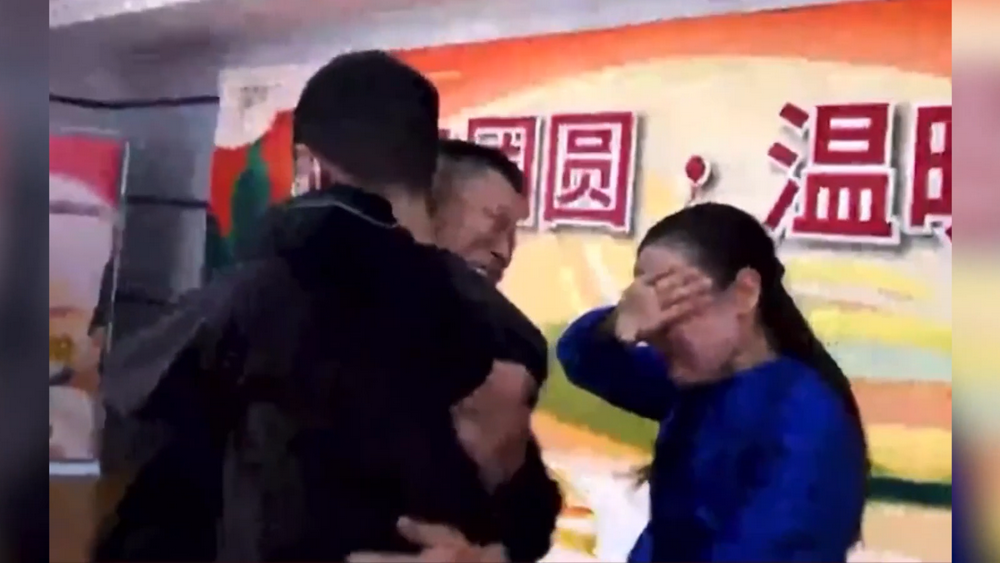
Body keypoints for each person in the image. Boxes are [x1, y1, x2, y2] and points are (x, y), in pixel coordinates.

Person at [97, 51, 548, 563]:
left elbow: (136, 413)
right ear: (430, 170)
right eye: (494, 220)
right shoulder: (503, 333)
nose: (503, 249)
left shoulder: (263, 294)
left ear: (309, 166)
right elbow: (524, 508)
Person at [556, 202, 869, 562]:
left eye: (673, 302)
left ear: (744, 293)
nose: (653, 329)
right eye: (646, 304)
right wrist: (617, 321)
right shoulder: (696, 379)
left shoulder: (806, 420)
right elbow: (582, 358)